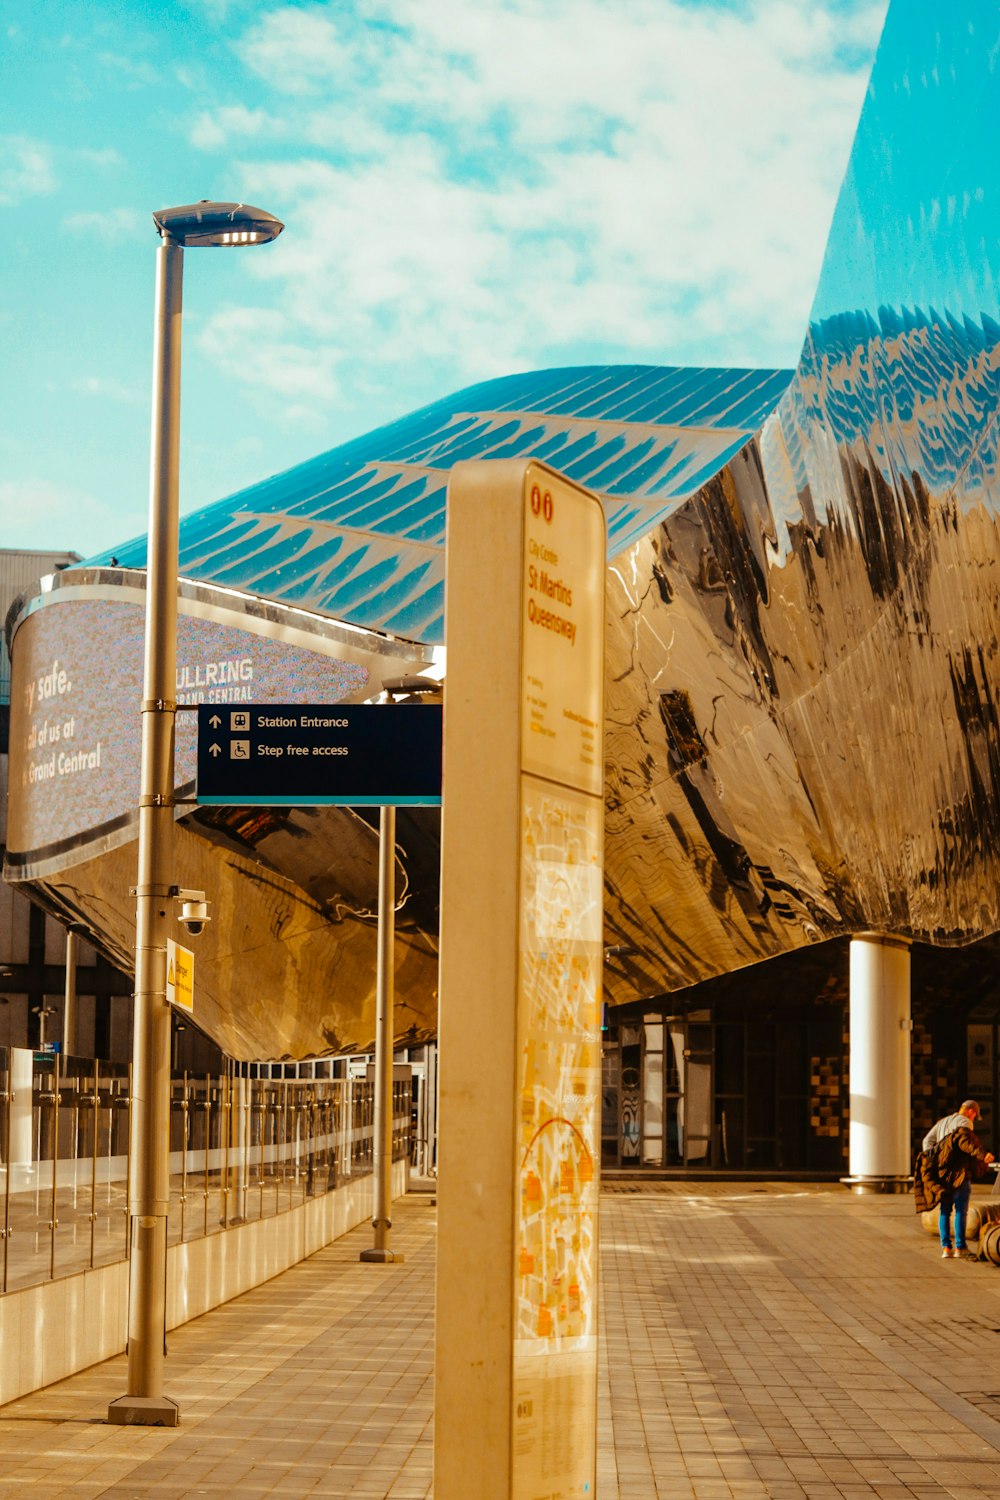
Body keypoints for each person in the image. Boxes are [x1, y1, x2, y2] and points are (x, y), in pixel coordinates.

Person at [915, 1100, 995, 1257]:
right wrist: (982, 1155)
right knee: (960, 1211)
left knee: (944, 1211)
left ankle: (946, 1248)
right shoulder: (965, 1122)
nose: (973, 1120)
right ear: (971, 1112)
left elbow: (926, 1141)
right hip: (959, 1174)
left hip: (943, 1176)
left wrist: (934, 1158)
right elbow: (965, 1143)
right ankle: (960, 1248)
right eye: (974, 1116)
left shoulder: (943, 1122)